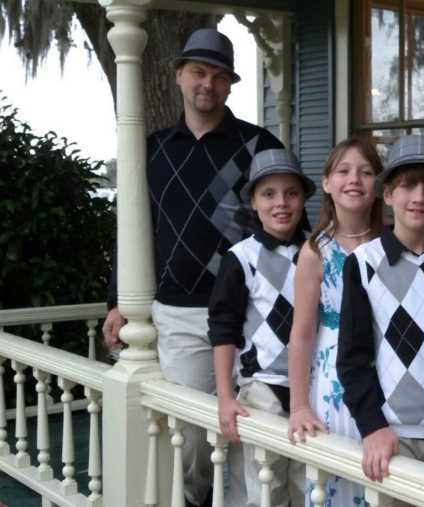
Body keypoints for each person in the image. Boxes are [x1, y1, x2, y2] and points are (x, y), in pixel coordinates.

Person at [101, 28, 284, 506]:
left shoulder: (258, 145)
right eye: (199, 72)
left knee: (256, 426)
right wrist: (118, 299)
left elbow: (288, 226)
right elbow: (136, 228)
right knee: (194, 438)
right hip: (182, 313)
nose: (208, 83)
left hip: (252, 312)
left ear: (230, 86)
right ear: (179, 75)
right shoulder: (155, 149)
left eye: (220, 76)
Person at [337, 134, 424, 486]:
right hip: (392, 435)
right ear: (387, 194)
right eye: (407, 186)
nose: (418, 197)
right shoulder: (363, 263)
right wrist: (372, 425)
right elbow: (352, 358)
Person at [208, 149, 315, 507]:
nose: (281, 203)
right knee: (265, 489)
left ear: (303, 199)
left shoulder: (319, 251)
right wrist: (225, 396)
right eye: (268, 194)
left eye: (291, 193)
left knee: (308, 487)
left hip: (314, 388)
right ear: (253, 201)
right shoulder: (240, 258)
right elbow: (223, 329)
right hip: (262, 390)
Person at [285, 138, 384, 506]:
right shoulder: (316, 251)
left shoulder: (389, 245)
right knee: (337, 481)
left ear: (380, 185)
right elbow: (303, 332)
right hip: (332, 379)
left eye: (366, 171)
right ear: (327, 183)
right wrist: (298, 405)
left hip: (383, 371)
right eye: (343, 171)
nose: (354, 179)